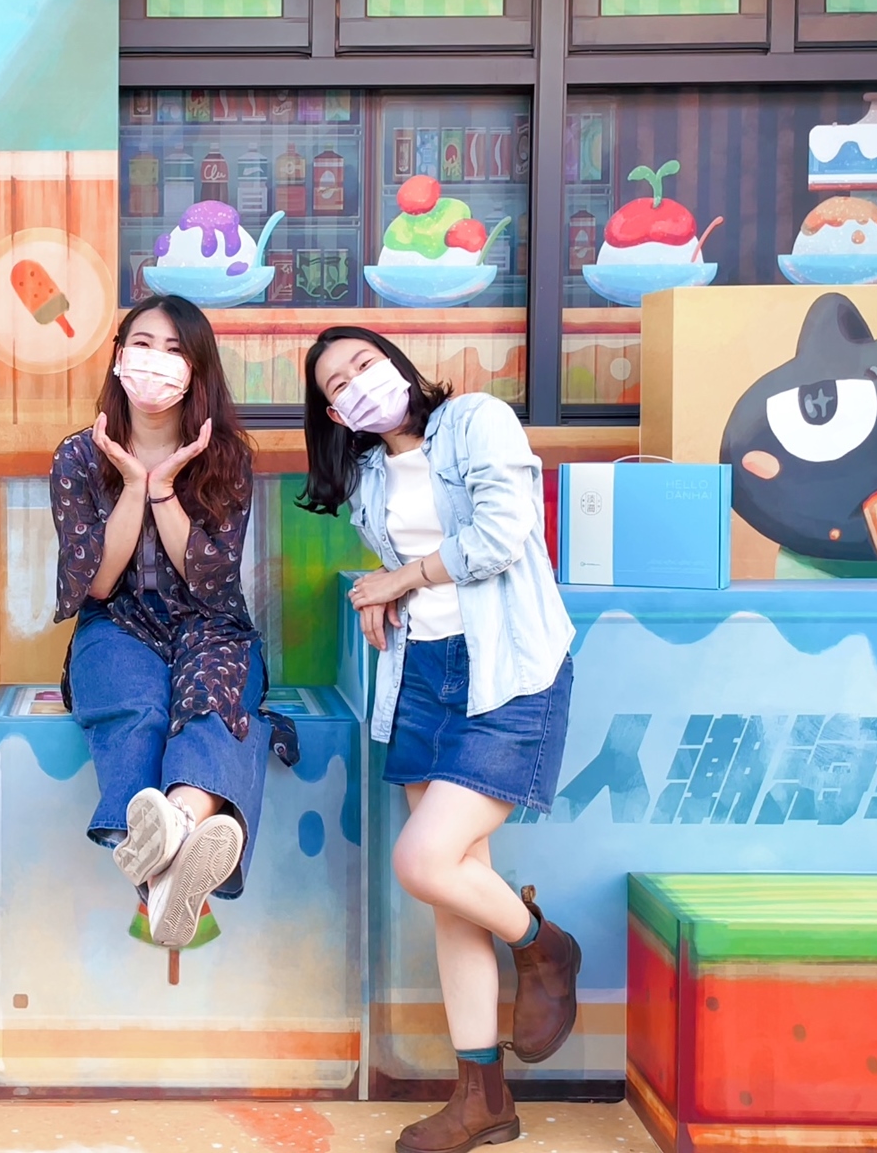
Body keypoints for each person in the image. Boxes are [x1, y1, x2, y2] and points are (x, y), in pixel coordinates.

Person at [299, 327, 580, 1153]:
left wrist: (403, 577)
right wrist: (385, 589)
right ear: (333, 414)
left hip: (509, 671)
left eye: (364, 364)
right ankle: (483, 1098)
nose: (357, 383)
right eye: (337, 384)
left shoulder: (477, 420)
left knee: (424, 861)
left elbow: (500, 534)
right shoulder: (367, 475)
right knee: (454, 891)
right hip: (422, 675)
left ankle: (546, 947)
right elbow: (407, 557)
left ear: (396, 363)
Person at [50, 294, 266, 949]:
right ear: (119, 357)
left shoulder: (226, 457)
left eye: (175, 350)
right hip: (115, 620)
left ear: (197, 372)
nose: (156, 361)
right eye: (143, 344)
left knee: (213, 699)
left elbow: (211, 582)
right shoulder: (78, 457)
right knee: (136, 704)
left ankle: (170, 835)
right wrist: (132, 485)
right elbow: (99, 582)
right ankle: (181, 848)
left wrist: (165, 487)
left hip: (210, 622)